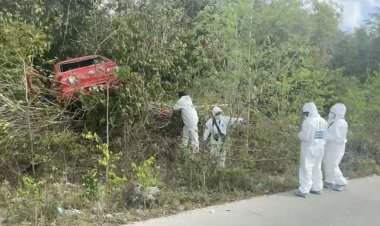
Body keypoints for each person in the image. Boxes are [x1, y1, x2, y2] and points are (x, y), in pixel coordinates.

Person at [296, 102, 327, 198]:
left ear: (308, 112)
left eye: (305, 113)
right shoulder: (323, 121)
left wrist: (299, 135)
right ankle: (317, 187)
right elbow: (324, 136)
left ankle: (304, 190)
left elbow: (305, 137)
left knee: (306, 168)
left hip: (309, 148)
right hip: (320, 147)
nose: (305, 115)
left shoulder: (308, 121)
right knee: (317, 168)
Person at [323, 103, 348, 192]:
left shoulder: (340, 123)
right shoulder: (334, 121)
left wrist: (323, 135)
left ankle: (341, 182)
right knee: (327, 162)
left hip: (337, 147)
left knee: (333, 164)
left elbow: (335, 136)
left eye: (332, 113)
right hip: (331, 146)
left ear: (336, 113)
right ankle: (329, 180)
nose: (330, 114)